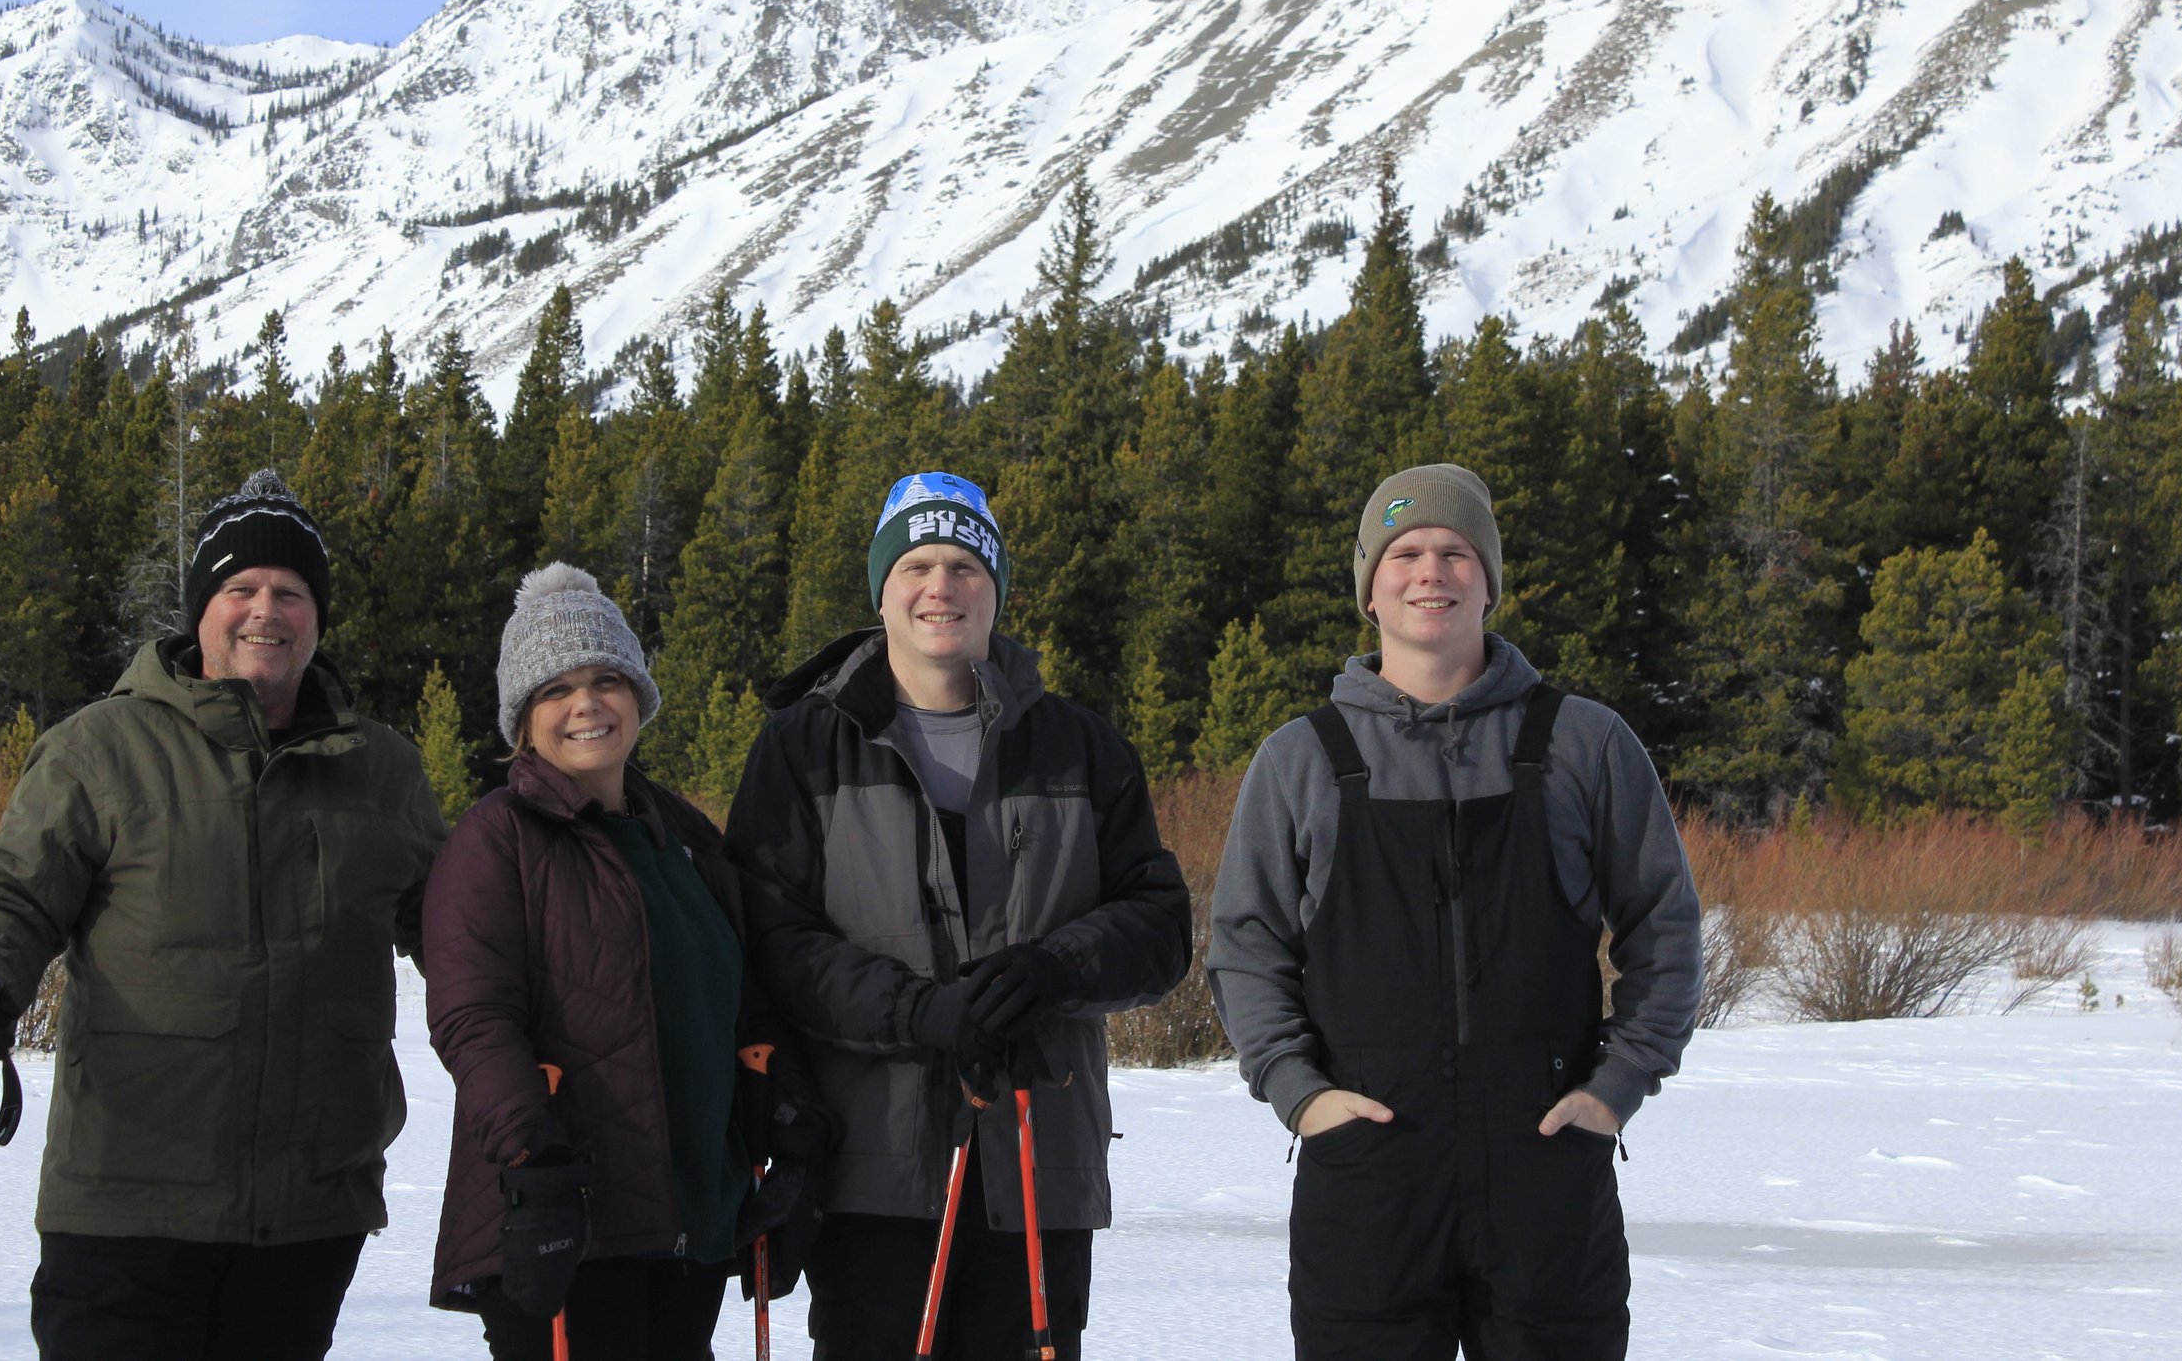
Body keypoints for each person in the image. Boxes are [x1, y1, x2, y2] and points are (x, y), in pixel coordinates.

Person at [0, 469, 447, 1361]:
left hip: (307, 1209)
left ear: (317, 616)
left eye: (289, 592)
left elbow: (455, 926)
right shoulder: (102, 748)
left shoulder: (382, 769)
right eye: (240, 588)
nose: (265, 611)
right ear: (199, 608)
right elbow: (16, 888)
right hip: (130, 1200)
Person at [1209, 462, 1702, 1360]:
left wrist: (1615, 1087)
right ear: (1370, 588)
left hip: (1547, 1170)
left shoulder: (1582, 743)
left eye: (1454, 551)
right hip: (1368, 1181)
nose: (1429, 570)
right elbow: (1247, 947)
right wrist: (1300, 1092)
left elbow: (1664, 930)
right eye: (1404, 553)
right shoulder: (1302, 760)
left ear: (1488, 581)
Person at [725, 470, 1193, 1361]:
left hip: (1036, 1160)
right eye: (916, 566)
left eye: (965, 566)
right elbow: (773, 938)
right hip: (873, 1171)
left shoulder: (1079, 745)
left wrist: (1055, 968)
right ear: (883, 589)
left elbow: (1160, 923)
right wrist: (914, 1011)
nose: (941, 586)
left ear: (996, 589)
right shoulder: (804, 745)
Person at [422, 563, 825, 1361]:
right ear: (522, 718)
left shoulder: (684, 835)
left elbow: (740, 1003)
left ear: (638, 693)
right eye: (555, 688)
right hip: (563, 1218)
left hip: (690, 1216)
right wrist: (531, 1157)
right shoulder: (497, 837)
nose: (586, 704)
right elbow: (473, 1015)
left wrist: (788, 1110)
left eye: (607, 678)